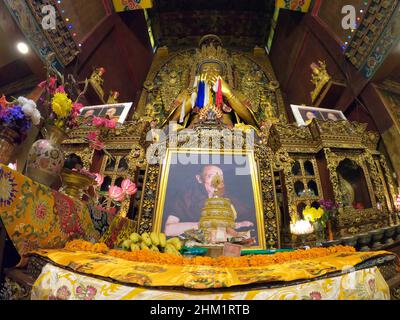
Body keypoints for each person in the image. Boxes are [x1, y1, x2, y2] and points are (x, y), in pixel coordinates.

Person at [164, 165, 255, 237]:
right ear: (199, 179)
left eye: (220, 177)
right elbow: (169, 230)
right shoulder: (186, 198)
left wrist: (238, 225)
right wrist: (205, 224)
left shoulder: (227, 198)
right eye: (211, 176)